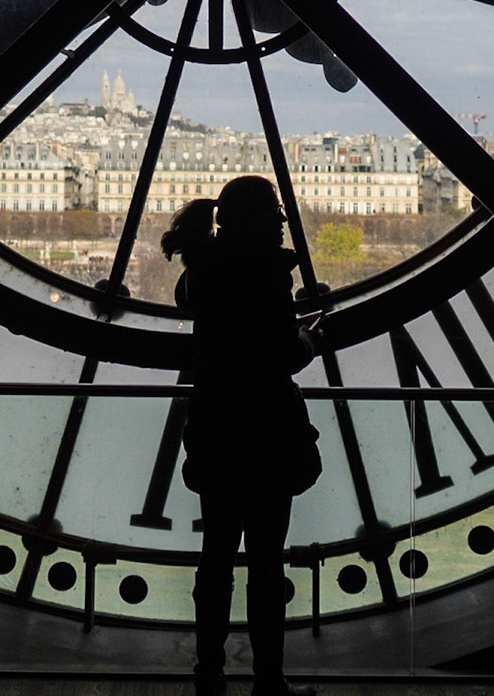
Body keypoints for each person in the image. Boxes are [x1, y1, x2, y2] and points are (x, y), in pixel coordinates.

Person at [163, 176, 323, 696]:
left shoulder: (202, 273)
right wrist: (309, 339)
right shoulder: (266, 276)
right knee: (266, 565)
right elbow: (281, 355)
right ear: (260, 220)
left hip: (217, 430)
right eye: (275, 211)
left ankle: (208, 672)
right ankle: (268, 679)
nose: (282, 219)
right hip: (267, 434)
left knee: (216, 560)